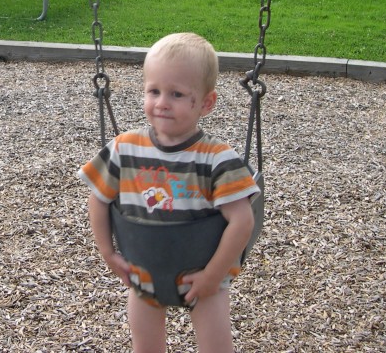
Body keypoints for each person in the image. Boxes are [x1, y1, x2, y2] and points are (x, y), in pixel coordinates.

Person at [78, 32, 260, 353]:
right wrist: (107, 253)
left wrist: (211, 276)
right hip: (144, 275)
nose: (162, 102)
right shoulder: (124, 150)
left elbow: (242, 221)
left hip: (204, 279)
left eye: (176, 94)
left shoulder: (217, 159)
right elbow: (99, 199)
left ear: (206, 103)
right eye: (154, 91)